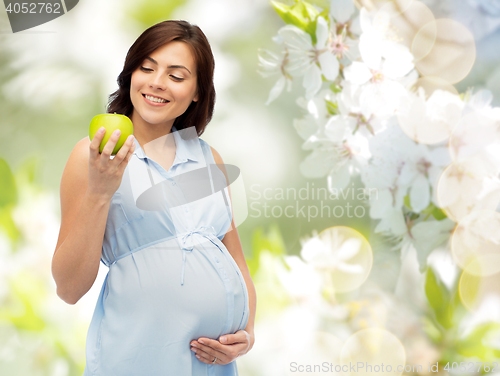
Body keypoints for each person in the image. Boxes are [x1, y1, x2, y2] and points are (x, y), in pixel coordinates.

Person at [51, 20, 256, 375]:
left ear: (197, 92)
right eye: (147, 68)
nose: (157, 82)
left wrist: (247, 334)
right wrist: (100, 191)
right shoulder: (94, 154)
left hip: (211, 366)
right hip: (136, 358)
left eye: (176, 76)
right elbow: (68, 288)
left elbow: (236, 260)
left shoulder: (208, 158)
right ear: (131, 75)